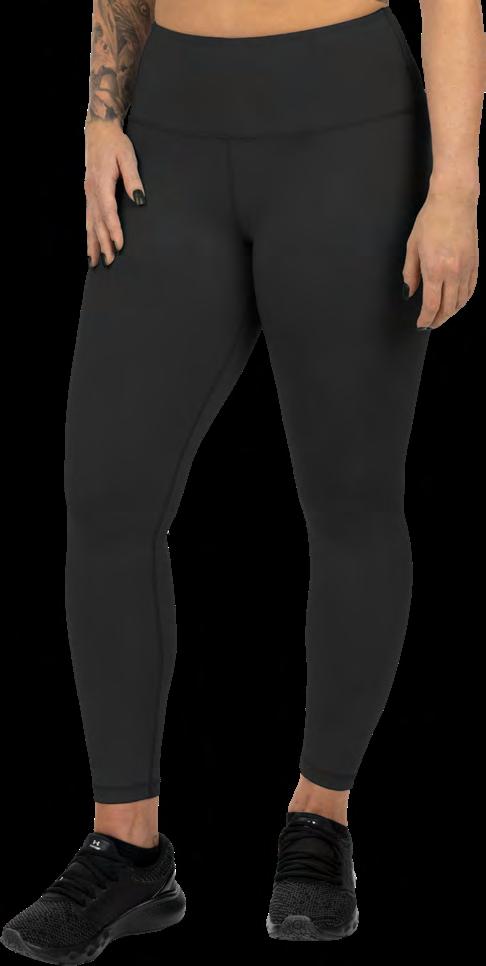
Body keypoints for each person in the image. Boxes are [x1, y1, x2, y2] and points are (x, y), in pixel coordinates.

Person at [2, 0, 482, 957]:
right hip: (171, 133)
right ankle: (125, 846)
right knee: (107, 492)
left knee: (349, 497)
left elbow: (452, 5)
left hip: (348, 131)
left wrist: (455, 187)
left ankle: (320, 821)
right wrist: (100, 116)